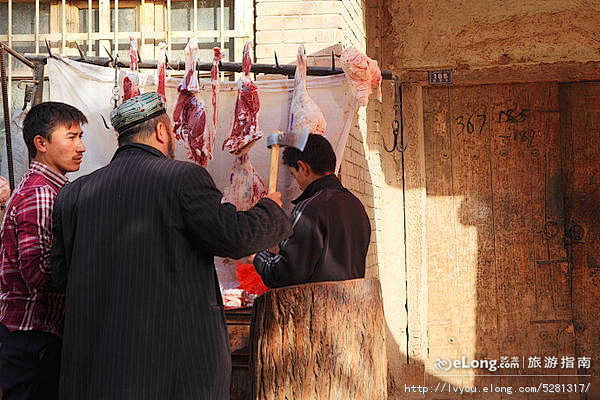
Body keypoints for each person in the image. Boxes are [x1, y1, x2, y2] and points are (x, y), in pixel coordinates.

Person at [50, 92, 293, 400]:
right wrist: (270, 209)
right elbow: (235, 237)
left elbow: (58, 276)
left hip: (94, 372)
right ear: (162, 131)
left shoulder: (73, 195)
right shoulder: (182, 178)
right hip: (170, 374)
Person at [0, 102, 87, 400]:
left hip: (34, 337)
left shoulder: (50, 189)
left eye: (81, 137)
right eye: (71, 137)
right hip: (33, 338)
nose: (81, 147)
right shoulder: (41, 192)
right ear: (41, 143)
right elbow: (38, 272)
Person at [253, 134, 371, 288]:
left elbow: (287, 274)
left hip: (318, 307)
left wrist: (258, 256)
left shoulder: (310, 209)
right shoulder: (355, 205)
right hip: (350, 306)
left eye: (293, 174)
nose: (296, 182)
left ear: (303, 168)